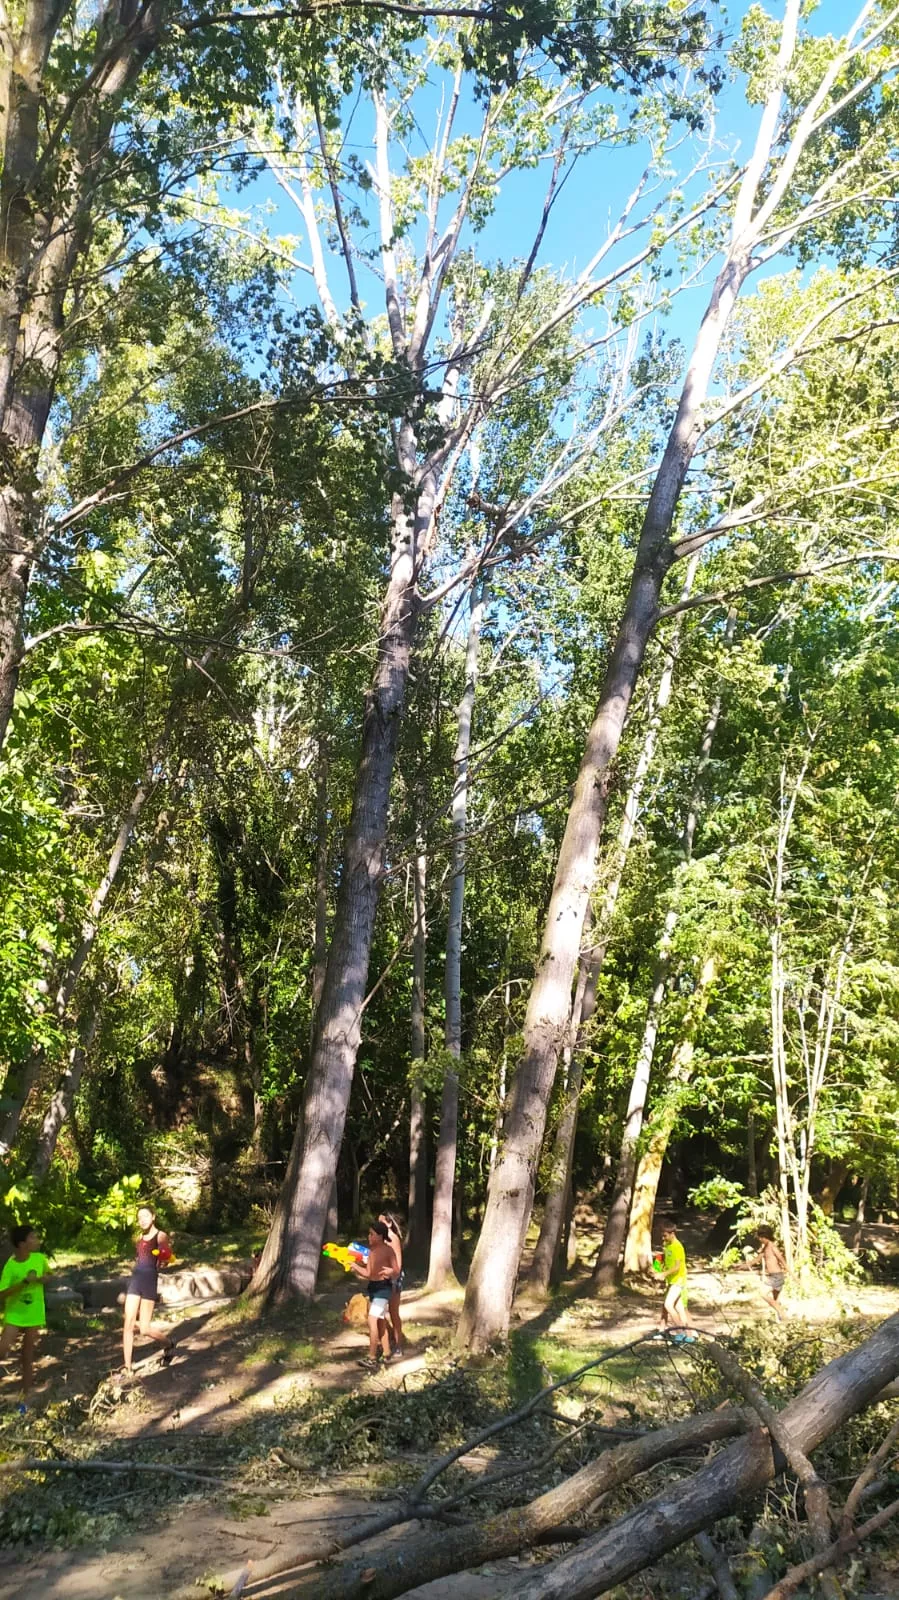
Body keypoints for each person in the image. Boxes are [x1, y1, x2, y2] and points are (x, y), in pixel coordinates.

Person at [0, 1223, 51, 1407]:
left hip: (34, 1312)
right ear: (22, 1244)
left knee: (27, 1353)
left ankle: (26, 1395)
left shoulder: (39, 1258)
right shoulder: (11, 1266)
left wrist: (46, 1278)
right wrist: (23, 1282)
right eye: (33, 1237)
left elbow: (49, 1273)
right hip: (15, 1314)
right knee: (3, 1348)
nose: (37, 1240)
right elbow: (2, 1293)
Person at [122, 1204, 175, 1374]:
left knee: (144, 1329)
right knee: (128, 1323)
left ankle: (169, 1344)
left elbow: (167, 1257)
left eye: (145, 1216)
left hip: (149, 1281)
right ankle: (127, 1368)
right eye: (139, 1218)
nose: (142, 1220)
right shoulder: (139, 1238)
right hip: (135, 1280)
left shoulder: (160, 1236)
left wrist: (163, 1257)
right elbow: (140, 1258)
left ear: (153, 1217)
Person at [350, 1220, 398, 1370]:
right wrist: (355, 1267)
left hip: (384, 1290)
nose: (369, 1237)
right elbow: (368, 1274)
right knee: (380, 1322)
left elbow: (396, 1269)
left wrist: (391, 1272)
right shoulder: (371, 1252)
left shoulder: (388, 1250)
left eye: (372, 1234)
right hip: (373, 1288)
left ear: (380, 1235)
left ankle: (371, 1358)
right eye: (368, 1234)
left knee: (372, 1320)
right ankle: (387, 1352)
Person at [379, 1211, 405, 1358]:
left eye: (381, 1222)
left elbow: (398, 1265)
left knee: (393, 1313)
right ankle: (385, 1347)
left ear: (389, 1223)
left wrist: (391, 1275)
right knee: (379, 1313)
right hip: (381, 1279)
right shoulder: (379, 1239)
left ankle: (398, 1345)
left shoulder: (393, 1239)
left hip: (394, 1280)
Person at [658, 1223, 689, 1333]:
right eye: (662, 1236)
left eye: (665, 1236)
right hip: (671, 1281)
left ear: (672, 1234)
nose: (663, 1238)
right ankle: (689, 1335)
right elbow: (663, 1257)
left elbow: (677, 1267)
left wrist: (664, 1274)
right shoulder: (667, 1245)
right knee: (679, 1308)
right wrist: (657, 1268)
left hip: (678, 1281)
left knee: (668, 1305)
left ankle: (680, 1332)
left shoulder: (678, 1247)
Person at [753, 1225, 787, 1321]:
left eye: (761, 1238)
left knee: (763, 1294)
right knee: (776, 1300)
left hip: (777, 1276)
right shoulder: (765, 1248)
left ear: (765, 1237)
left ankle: (781, 1312)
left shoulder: (772, 1247)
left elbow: (783, 1261)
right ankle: (781, 1320)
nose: (759, 1239)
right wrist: (742, 1265)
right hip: (774, 1276)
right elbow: (756, 1259)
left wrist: (794, 1276)